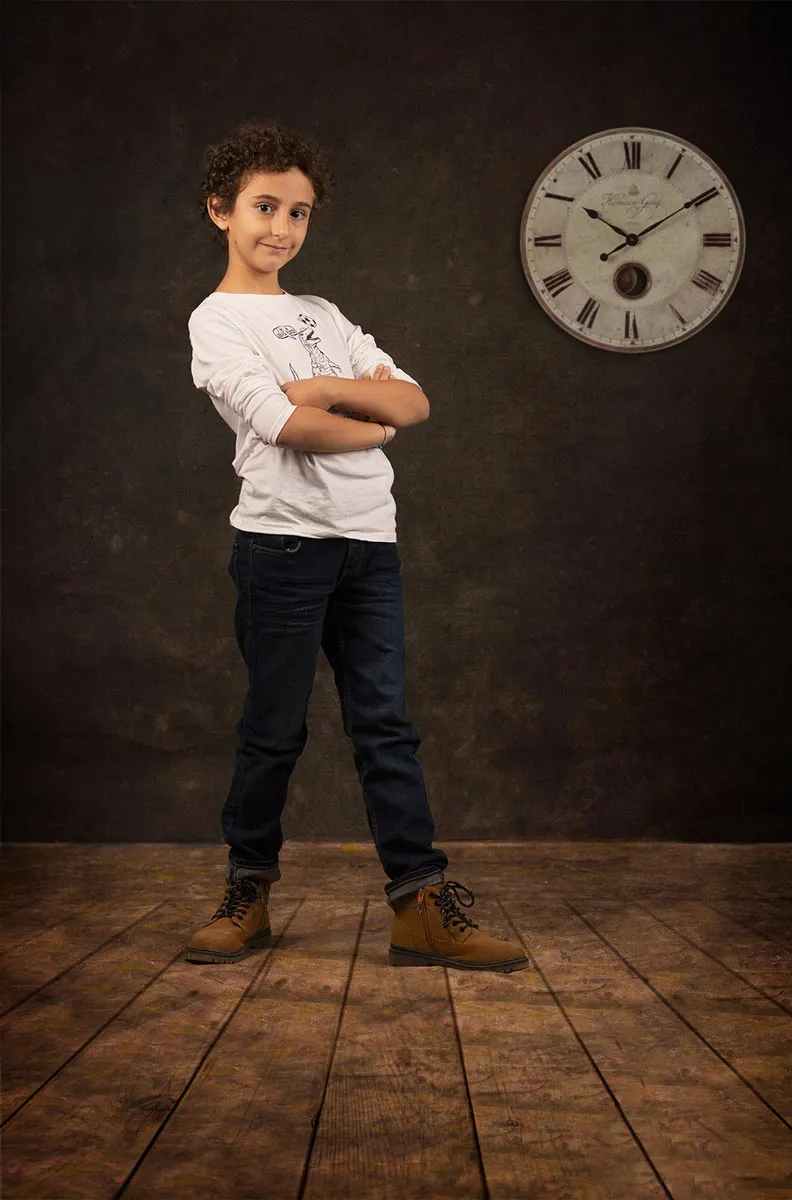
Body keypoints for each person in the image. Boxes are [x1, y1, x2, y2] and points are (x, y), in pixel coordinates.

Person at [183, 119, 528, 974]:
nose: (282, 228)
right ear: (221, 210)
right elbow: (286, 427)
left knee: (386, 728)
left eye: (299, 213)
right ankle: (248, 891)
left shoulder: (325, 315)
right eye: (265, 207)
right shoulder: (218, 322)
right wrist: (359, 419)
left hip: (369, 546)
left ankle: (419, 905)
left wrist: (331, 390)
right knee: (274, 730)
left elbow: (412, 403)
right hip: (283, 550)